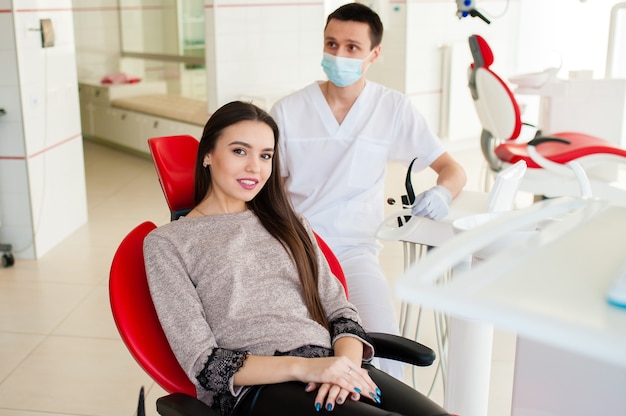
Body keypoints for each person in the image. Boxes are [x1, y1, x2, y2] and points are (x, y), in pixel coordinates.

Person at [143, 101, 449, 416]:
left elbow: (341, 312)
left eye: (265, 156)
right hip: (258, 390)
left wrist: (343, 367)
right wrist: (307, 369)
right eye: (239, 151)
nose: (254, 168)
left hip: (331, 367)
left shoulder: (291, 224)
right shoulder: (168, 243)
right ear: (208, 154)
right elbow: (206, 364)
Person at [269, 3, 467, 380]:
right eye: (331, 44)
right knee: (299, 355)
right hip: (297, 250)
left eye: (352, 47)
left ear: (374, 54)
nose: (339, 54)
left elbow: (453, 170)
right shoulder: (288, 111)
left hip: (355, 251)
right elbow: (268, 193)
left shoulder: (391, 108)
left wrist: (441, 193)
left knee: (386, 354)